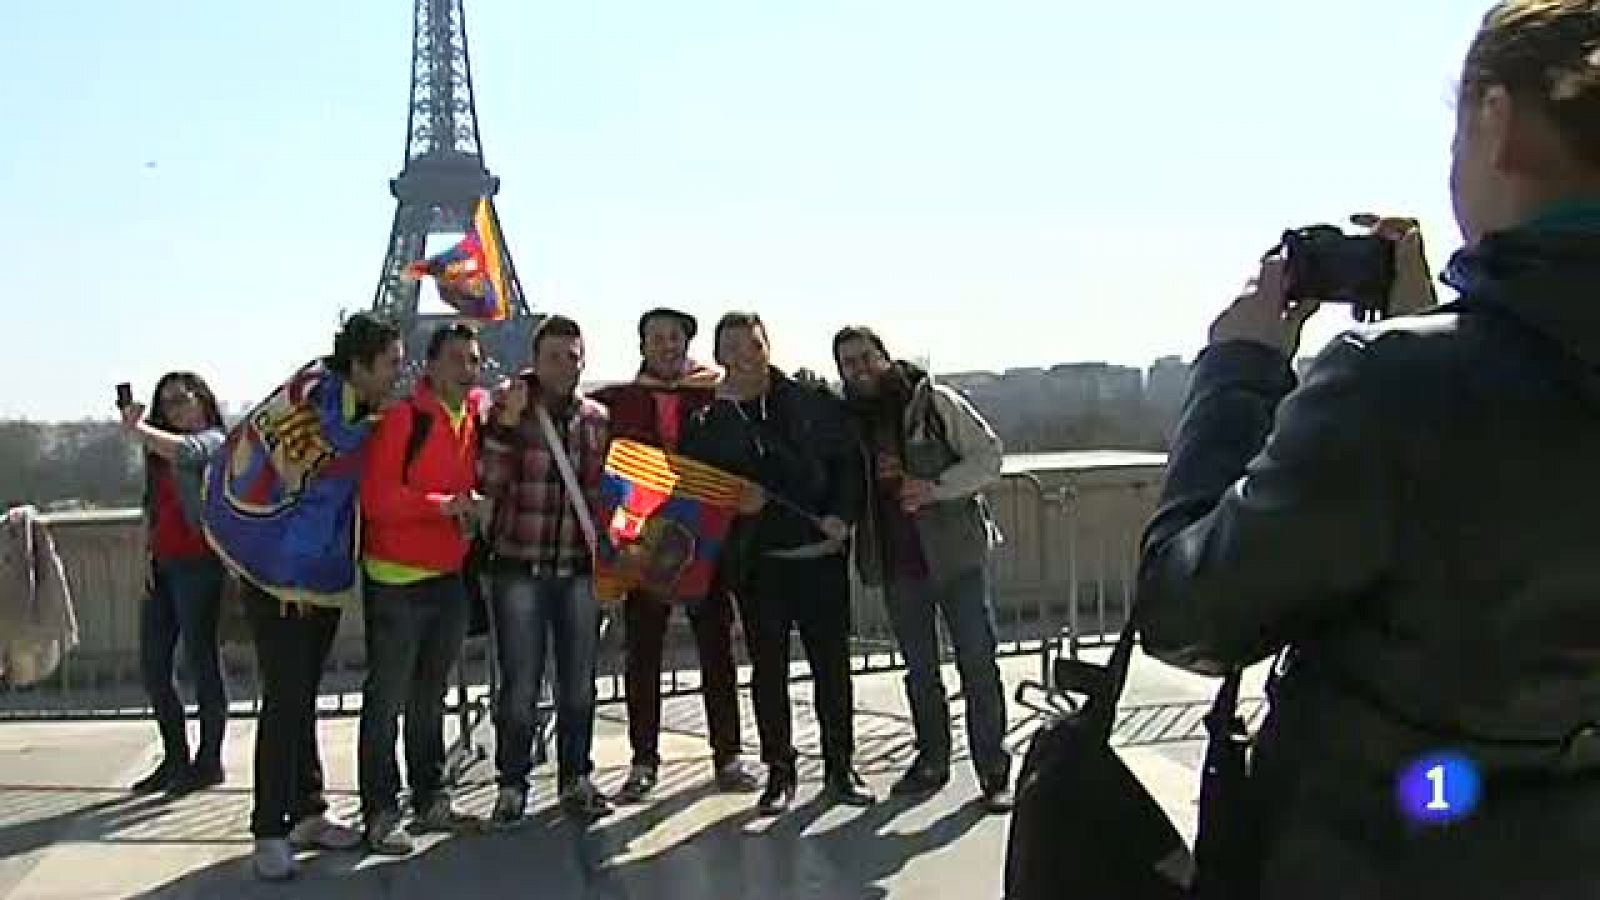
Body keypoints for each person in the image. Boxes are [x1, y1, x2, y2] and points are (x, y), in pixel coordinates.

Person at [1135, 2, 1600, 896]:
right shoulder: (1423, 378)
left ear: (1496, 122)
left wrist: (1238, 372)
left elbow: (1189, 613)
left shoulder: (1395, 387)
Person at [202, 313, 403, 881]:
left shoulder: (344, 407)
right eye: (390, 362)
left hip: (310, 572)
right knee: (287, 699)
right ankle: (268, 825)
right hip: (280, 575)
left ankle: (308, 809)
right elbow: (306, 486)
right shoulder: (315, 404)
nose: (397, 373)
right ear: (361, 364)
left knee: (301, 695)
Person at [681, 312, 872, 815]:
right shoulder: (708, 422)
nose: (745, 357)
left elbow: (849, 465)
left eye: (754, 346)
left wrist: (842, 516)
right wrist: (731, 505)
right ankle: (780, 771)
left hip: (820, 556)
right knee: (768, 674)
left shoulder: (813, 403)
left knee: (832, 668)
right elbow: (695, 491)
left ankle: (839, 766)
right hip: (760, 564)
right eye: (733, 349)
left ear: (769, 346)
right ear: (719, 356)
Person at [832, 326, 1014, 813]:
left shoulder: (933, 403)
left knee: (977, 662)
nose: (860, 369)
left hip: (956, 557)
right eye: (849, 363)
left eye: (867, 358)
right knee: (920, 670)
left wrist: (934, 486)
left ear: (886, 357)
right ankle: (933, 759)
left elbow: (989, 455)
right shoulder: (848, 422)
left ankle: (994, 769)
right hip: (897, 562)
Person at [591, 307, 759, 803]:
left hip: (705, 545)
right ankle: (644, 759)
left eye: (673, 337)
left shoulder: (718, 397)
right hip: (645, 545)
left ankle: (728, 753)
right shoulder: (617, 400)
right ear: (641, 346)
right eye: (655, 338)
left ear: (688, 343)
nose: (665, 345)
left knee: (717, 650)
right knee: (642, 653)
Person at [356, 322, 488, 854]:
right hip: (397, 579)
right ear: (430, 368)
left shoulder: (468, 416)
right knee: (387, 701)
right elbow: (377, 499)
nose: (466, 369)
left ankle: (430, 797)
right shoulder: (401, 421)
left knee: (428, 698)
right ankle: (381, 811)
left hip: (446, 576)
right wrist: (445, 507)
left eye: (473, 360)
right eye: (455, 359)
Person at [480, 314, 614, 823]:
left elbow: (603, 498)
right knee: (519, 684)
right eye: (555, 357)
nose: (565, 367)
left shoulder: (597, 419)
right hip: (521, 568)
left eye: (573, 357)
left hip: (578, 569)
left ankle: (575, 775)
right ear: (535, 361)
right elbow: (489, 481)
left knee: (579, 683)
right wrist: (507, 427)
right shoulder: (510, 412)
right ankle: (512, 782)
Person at [119, 372, 230, 798]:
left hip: (200, 564)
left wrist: (138, 430)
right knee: (154, 667)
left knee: (203, 663)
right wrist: (148, 554)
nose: (177, 408)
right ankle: (176, 757)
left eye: (184, 399)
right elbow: (154, 505)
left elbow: (186, 451)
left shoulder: (213, 440)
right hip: (165, 565)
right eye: (167, 403)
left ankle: (208, 760)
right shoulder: (157, 452)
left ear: (203, 401)